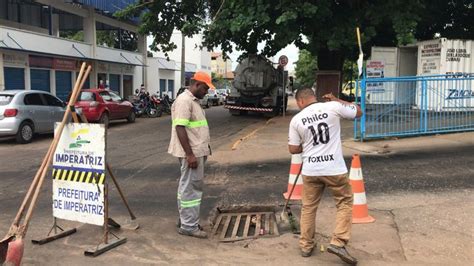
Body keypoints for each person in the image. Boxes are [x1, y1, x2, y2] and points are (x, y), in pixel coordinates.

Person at [288, 88, 362, 264]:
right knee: (344, 202)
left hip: (311, 171)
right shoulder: (333, 106)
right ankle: (338, 241)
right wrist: (338, 99)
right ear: (313, 97)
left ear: (300, 101)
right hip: (334, 169)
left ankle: (306, 246)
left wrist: (307, 145)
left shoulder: (296, 119)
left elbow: (293, 149)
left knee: (308, 207)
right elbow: (358, 112)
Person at [168, 71, 214, 238]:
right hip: (192, 153)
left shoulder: (192, 101)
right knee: (192, 189)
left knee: (186, 186)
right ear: (196, 85)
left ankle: (185, 219)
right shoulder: (184, 101)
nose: (206, 92)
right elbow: (179, 128)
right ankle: (189, 226)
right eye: (205, 88)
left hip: (196, 151)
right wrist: (190, 155)